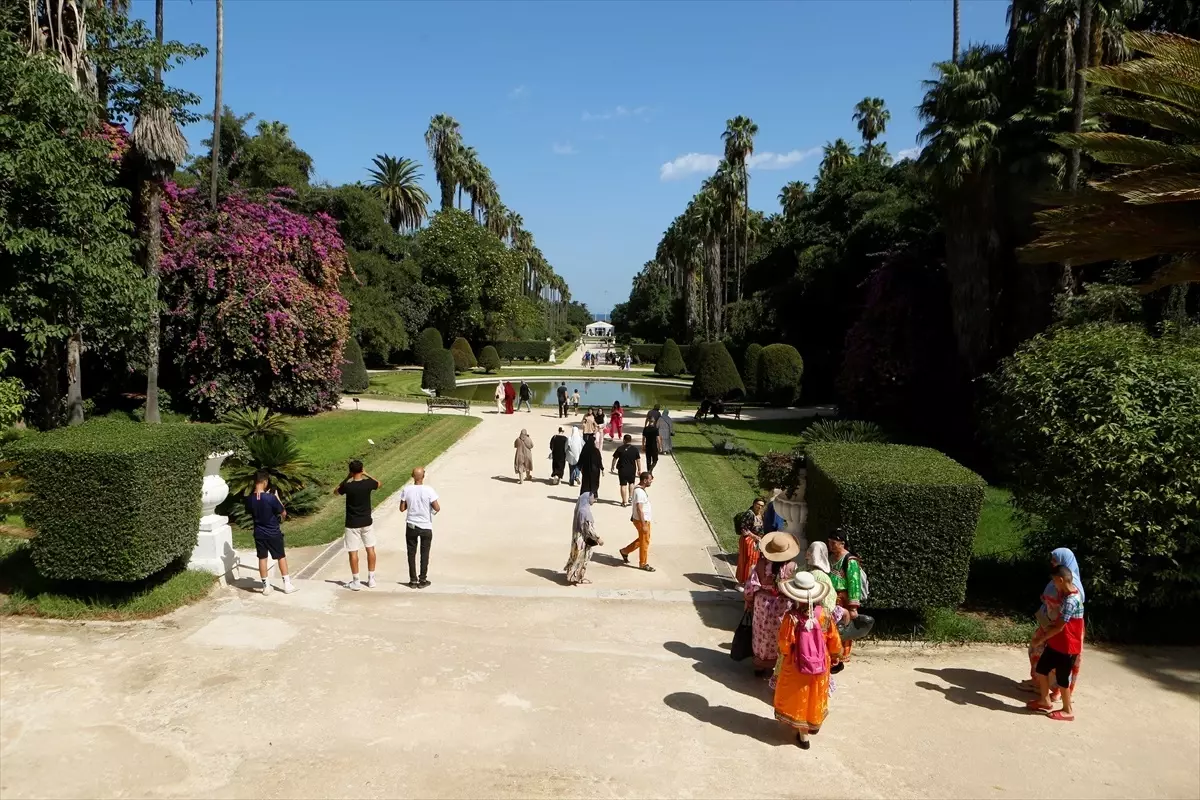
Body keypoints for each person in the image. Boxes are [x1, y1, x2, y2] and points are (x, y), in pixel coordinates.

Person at [774, 571, 842, 749]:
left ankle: (803, 735)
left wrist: (784, 655)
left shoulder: (792, 617)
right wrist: (835, 656)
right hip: (820, 662)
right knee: (815, 694)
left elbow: (785, 645)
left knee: (800, 696)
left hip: (797, 663)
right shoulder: (825, 615)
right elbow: (834, 640)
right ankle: (813, 724)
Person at [1028, 565, 1085, 721]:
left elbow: (1060, 627)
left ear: (1060, 580)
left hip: (1067, 647)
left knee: (1062, 678)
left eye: (1054, 581)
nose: (1054, 585)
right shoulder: (1067, 594)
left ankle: (1068, 710)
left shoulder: (1071, 600)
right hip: (1056, 644)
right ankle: (1044, 701)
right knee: (1041, 669)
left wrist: (1040, 639)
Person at [745, 532, 800, 677]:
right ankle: (777, 664)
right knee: (779, 634)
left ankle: (759, 664)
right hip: (782, 605)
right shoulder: (792, 567)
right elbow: (795, 590)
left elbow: (751, 585)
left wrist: (748, 600)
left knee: (761, 633)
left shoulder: (761, 563)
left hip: (762, 604)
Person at [827, 528, 874, 663]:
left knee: (843, 627)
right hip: (832, 598)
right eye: (829, 542)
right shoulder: (831, 558)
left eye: (833, 542)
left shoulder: (850, 560)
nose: (830, 545)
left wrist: (853, 607)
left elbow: (854, 583)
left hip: (843, 599)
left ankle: (840, 656)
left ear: (842, 543)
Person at [245, 470, 295, 595]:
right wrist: (277, 498)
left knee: (262, 558)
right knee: (280, 556)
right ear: (265, 481)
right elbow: (283, 513)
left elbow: (252, 509)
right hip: (273, 531)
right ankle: (287, 584)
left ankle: (266, 586)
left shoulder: (249, 499)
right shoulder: (271, 498)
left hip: (259, 532)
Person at [335, 459, 382, 591]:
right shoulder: (368, 484)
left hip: (352, 523)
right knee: (370, 549)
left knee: (353, 552)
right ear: (362, 470)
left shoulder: (348, 486)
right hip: (366, 521)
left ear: (351, 472)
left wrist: (346, 478)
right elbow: (379, 483)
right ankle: (371, 578)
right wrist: (367, 474)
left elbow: (336, 491)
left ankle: (356, 581)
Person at [399, 467, 440, 589]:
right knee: (424, 553)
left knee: (411, 553)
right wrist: (429, 510)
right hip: (425, 526)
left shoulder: (406, 490)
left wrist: (411, 504)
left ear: (412, 476)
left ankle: (412, 580)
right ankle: (422, 579)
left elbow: (402, 508)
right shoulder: (429, 490)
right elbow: (437, 507)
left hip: (411, 525)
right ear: (423, 476)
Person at [619, 471, 655, 571]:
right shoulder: (639, 492)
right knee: (645, 541)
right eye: (650, 480)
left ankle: (625, 551)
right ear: (644, 480)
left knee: (643, 539)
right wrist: (643, 524)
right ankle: (643, 563)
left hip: (641, 520)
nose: (651, 481)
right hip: (642, 521)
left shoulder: (639, 489)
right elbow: (639, 508)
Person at [565, 492, 602, 585]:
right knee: (582, 559)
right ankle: (578, 577)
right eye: (593, 498)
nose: (594, 500)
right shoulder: (585, 512)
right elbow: (589, 528)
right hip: (583, 540)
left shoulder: (580, 510)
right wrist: (598, 538)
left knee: (575, 557)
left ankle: (573, 575)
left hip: (576, 538)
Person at [734, 499, 767, 586]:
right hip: (748, 541)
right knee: (746, 560)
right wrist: (754, 536)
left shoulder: (760, 514)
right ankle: (740, 583)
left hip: (756, 541)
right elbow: (743, 528)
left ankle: (749, 581)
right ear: (753, 504)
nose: (759, 507)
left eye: (762, 505)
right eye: (758, 504)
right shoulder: (749, 514)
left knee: (754, 561)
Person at [805, 541, 841, 615]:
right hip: (818, 615)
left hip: (801, 612)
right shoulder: (823, 576)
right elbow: (828, 606)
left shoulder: (800, 570)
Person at [610, 433, 642, 507]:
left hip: (622, 469)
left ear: (624, 440)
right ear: (631, 440)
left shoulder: (620, 448)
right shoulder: (634, 449)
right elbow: (638, 460)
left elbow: (615, 458)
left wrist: (612, 466)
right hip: (632, 469)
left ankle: (624, 501)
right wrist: (639, 469)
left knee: (623, 485)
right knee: (631, 483)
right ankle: (630, 497)